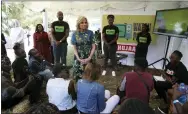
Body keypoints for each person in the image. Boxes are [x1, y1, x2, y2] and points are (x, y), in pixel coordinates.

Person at [71, 16, 96, 81]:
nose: (84, 24)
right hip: (78, 58)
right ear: (78, 24)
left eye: (85, 22)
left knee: (90, 76)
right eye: (82, 22)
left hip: (89, 57)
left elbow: (93, 46)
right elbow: (74, 48)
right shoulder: (75, 34)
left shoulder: (90, 33)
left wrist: (89, 57)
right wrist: (78, 58)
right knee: (78, 77)